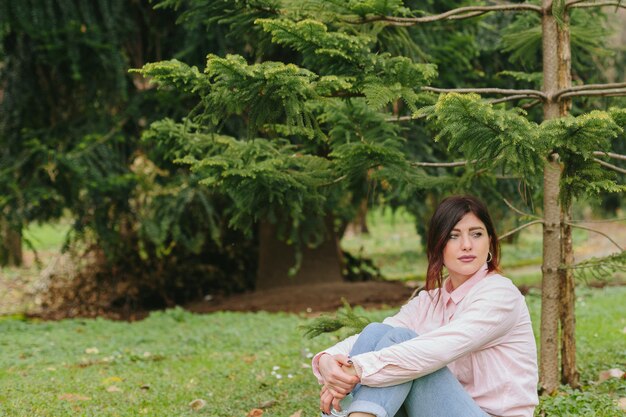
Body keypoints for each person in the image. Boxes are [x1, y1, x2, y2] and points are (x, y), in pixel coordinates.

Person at [311, 195, 539, 417]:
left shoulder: (500, 294)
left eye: (477, 234)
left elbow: (438, 349)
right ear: (439, 245)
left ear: (489, 241)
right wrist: (327, 360)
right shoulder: (430, 302)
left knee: (406, 348)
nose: (467, 245)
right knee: (377, 332)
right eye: (453, 236)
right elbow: (382, 331)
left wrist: (357, 369)